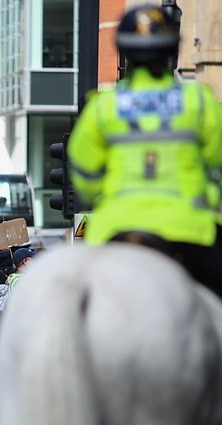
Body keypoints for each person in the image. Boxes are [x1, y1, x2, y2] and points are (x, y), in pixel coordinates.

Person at [68, 5, 222, 298]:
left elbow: (84, 175)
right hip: (189, 229)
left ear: (123, 50)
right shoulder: (199, 103)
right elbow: (218, 161)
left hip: (114, 229)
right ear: (172, 49)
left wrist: (101, 197)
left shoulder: (103, 108)